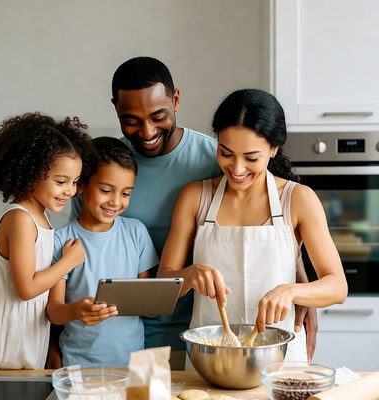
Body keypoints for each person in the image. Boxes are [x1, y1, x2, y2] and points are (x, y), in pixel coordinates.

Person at [70, 57, 317, 368]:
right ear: (115, 108)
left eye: (158, 116)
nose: (146, 131)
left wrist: (299, 285)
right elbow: (74, 259)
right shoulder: (100, 168)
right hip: (110, 335)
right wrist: (56, 337)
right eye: (131, 120)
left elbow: (265, 222)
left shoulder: (217, 160)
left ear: (176, 100)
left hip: (195, 331)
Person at [157, 88, 348, 362]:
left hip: (281, 359)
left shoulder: (297, 199)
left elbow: (337, 287)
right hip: (210, 358)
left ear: (273, 149)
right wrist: (188, 275)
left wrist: (291, 291)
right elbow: (164, 284)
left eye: (251, 158)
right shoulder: (195, 198)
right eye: (226, 153)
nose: (236, 168)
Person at [0, 112, 93, 369]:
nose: (70, 191)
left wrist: (51, 347)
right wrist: (69, 261)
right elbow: (27, 289)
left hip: (25, 335)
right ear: (30, 173)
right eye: (61, 181)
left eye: (74, 182)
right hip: (1, 336)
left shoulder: (42, 219)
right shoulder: (20, 219)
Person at [46, 137, 159, 366]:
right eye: (106, 190)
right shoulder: (60, 241)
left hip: (132, 365)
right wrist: (77, 311)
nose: (115, 202)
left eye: (126, 193)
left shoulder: (136, 233)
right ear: (82, 185)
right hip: (78, 365)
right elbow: (53, 311)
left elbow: (146, 304)